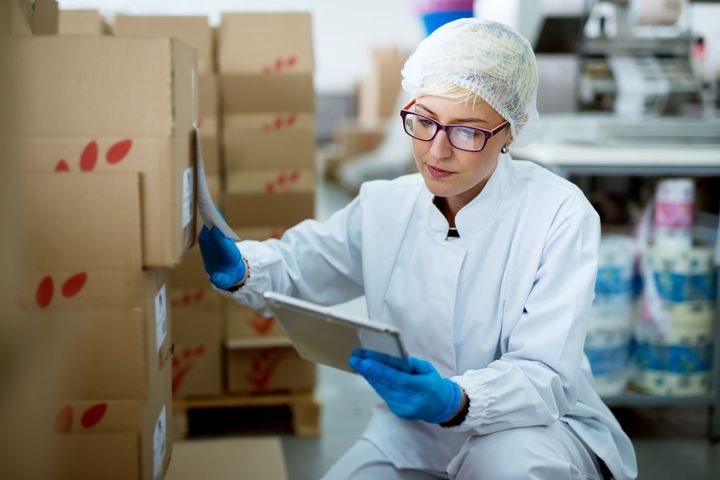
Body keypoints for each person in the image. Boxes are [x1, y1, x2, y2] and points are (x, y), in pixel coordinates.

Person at [199, 19, 638, 480]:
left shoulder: (558, 213)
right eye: (424, 121)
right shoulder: (385, 204)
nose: (436, 151)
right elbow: (303, 264)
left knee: (509, 466)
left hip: (529, 428)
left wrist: (457, 400)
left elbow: (545, 372)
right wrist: (244, 266)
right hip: (412, 431)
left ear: (512, 130)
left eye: (467, 131)